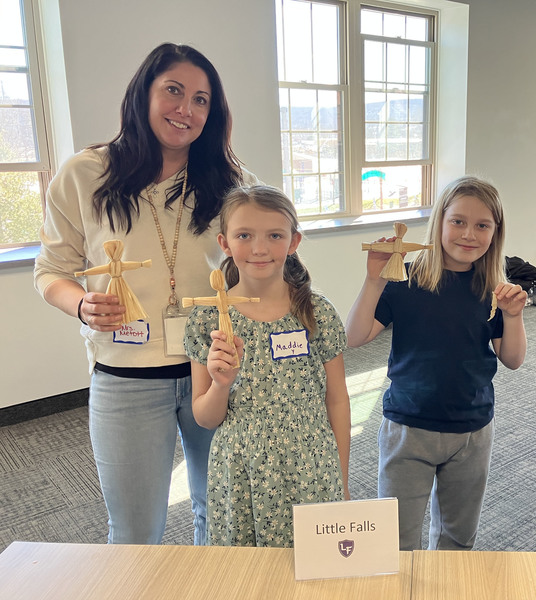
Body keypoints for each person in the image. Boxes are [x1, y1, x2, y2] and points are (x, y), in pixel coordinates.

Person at [34, 43, 261, 545]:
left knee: (221, 514)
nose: (186, 110)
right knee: (136, 533)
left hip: (217, 368)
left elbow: (267, 244)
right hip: (126, 376)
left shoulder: (229, 180)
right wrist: (81, 304)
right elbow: (50, 270)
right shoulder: (85, 175)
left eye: (201, 100)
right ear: (143, 94)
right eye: (173, 91)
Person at [346, 175, 527, 551]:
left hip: (472, 431)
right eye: (458, 221)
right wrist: (373, 280)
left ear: (496, 232)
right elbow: (355, 337)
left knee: (458, 540)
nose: (469, 234)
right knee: (395, 541)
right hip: (408, 427)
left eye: (482, 226)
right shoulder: (405, 281)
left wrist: (513, 317)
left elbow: (513, 359)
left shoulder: (491, 287)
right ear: (440, 222)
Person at [185, 185, 350, 547]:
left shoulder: (316, 312)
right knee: (248, 571)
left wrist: (342, 478)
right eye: (244, 235)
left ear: (293, 242)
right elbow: (205, 417)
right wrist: (221, 384)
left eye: (274, 235)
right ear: (224, 243)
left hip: (310, 462)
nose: (259, 248)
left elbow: (337, 399)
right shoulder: (207, 319)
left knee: (311, 561)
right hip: (241, 467)